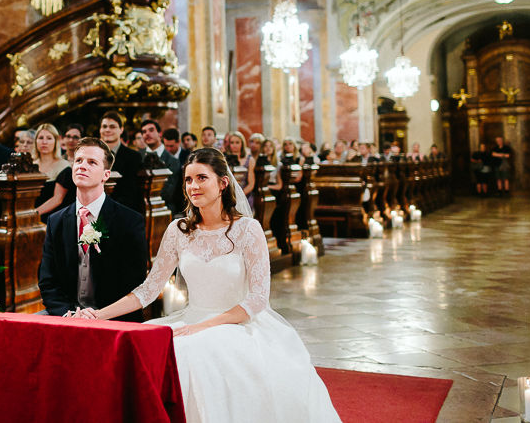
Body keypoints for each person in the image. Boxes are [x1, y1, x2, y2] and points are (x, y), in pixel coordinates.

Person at [71, 149, 340, 422]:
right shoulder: (178, 230)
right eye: (188, 180)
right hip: (191, 320)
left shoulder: (248, 230)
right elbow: (149, 289)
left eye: (201, 178)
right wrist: (98, 315)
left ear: (223, 183)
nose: (193, 186)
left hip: (238, 324)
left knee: (191, 351)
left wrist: (203, 328)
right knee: (146, 348)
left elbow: (258, 299)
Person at [38, 138, 148, 320]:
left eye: (92, 162)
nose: (82, 166)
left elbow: (134, 282)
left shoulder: (129, 221)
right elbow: (47, 281)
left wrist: (97, 315)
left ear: (106, 175)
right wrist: (69, 313)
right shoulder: (56, 221)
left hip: (114, 318)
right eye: (78, 160)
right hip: (67, 315)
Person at [99, 111, 145, 212]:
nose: (107, 130)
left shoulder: (133, 156)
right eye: (104, 126)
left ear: (121, 130)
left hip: (121, 210)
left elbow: (130, 192)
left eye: (112, 127)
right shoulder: (92, 155)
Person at [140, 119, 183, 215]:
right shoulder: (137, 156)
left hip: (164, 208)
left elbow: (168, 192)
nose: (147, 134)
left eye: (151, 130)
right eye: (144, 132)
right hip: (139, 208)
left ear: (160, 133)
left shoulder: (173, 161)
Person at [32, 123, 71, 218]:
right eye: (41, 138)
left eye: (49, 138)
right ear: (36, 141)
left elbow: (57, 199)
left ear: (56, 141)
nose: (44, 142)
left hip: (54, 218)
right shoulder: (31, 165)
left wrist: (32, 214)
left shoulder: (64, 167)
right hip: (29, 216)